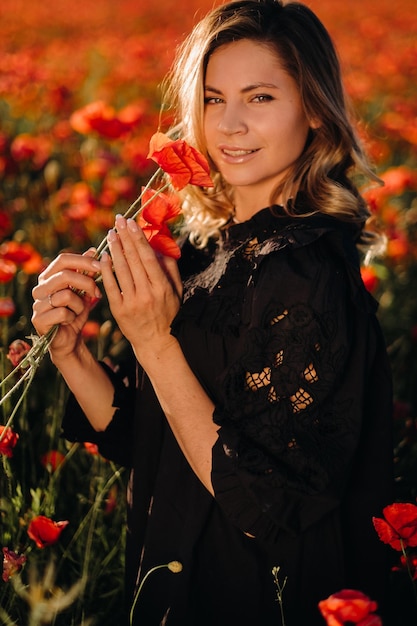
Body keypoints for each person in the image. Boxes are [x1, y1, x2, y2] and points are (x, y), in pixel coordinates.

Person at [31, 1, 394, 624]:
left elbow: (266, 503)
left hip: (256, 595)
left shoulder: (307, 276)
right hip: (178, 578)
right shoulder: (207, 247)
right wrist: (70, 352)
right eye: (212, 98)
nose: (229, 125)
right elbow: (151, 434)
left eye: (259, 98)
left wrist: (154, 342)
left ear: (312, 108)